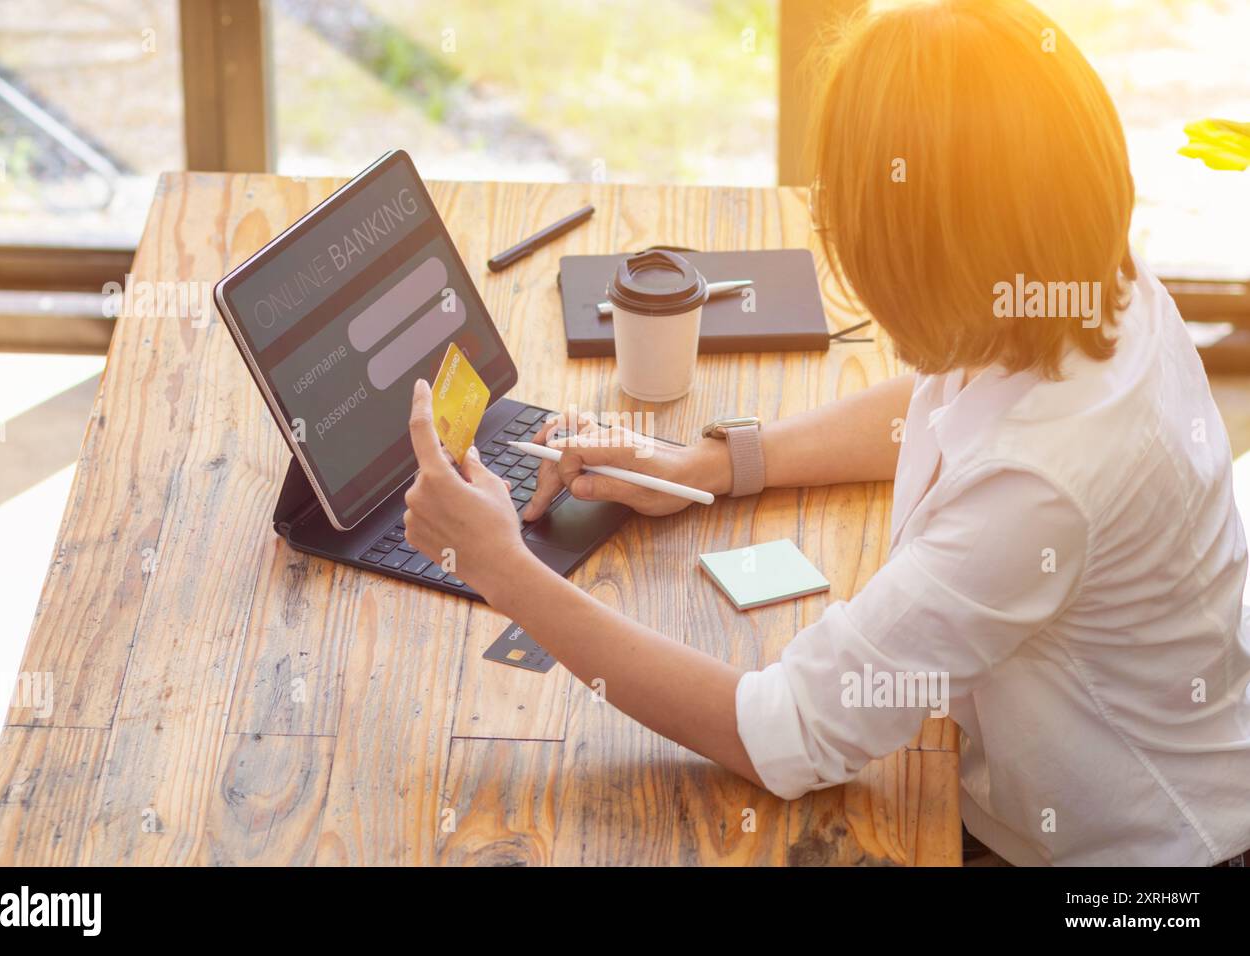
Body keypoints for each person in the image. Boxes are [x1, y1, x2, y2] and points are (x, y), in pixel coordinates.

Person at [402, 0, 1250, 866]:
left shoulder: (1042, 487)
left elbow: (785, 735)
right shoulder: (1079, 276)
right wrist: (714, 462)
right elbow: (946, 394)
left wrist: (502, 570)